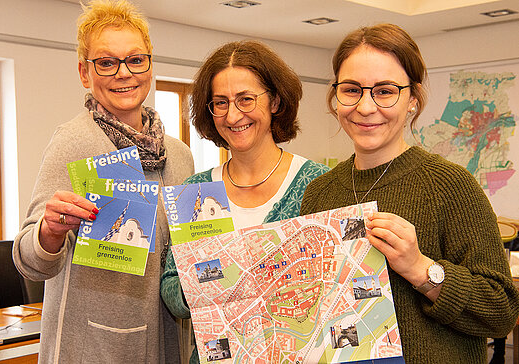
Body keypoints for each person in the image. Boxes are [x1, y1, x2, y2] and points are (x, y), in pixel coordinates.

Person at [299, 23, 519, 363]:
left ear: (412, 100)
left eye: (385, 91)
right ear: (335, 97)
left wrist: (421, 269)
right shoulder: (319, 193)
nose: (366, 107)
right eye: (352, 90)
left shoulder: (450, 185)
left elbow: (502, 310)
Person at [13, 1, 193, 362]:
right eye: (107, 62)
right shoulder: (74, 142)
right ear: (85, 72)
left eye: (135, 60)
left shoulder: (180, 155)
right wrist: (49, 232)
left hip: (169, 344)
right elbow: (29, 262)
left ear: (150, 64)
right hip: (94, 348)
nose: (124, 73)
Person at [160, 40, 329, 363]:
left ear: (275, 102)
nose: (233, 115)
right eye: (220, 103)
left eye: (245, 99)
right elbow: (171, 290)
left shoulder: (317, 184)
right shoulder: (196, 190)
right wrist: (210, 280)